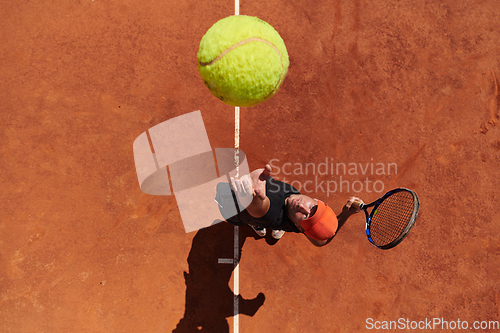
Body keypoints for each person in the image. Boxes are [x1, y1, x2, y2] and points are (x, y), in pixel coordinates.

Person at [225, 164, 362, 246]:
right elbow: (320, 242)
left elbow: (261, 208)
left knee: (258, 217)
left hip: (238, 213)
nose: (301, 207)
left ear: (298, 227)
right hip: (275, 218)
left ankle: (257, 223)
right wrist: (345, 214)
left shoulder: (272, 213)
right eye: (313, 207)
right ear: (316, 199)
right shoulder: (305, 227)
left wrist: (251, 199)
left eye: (304, 218)